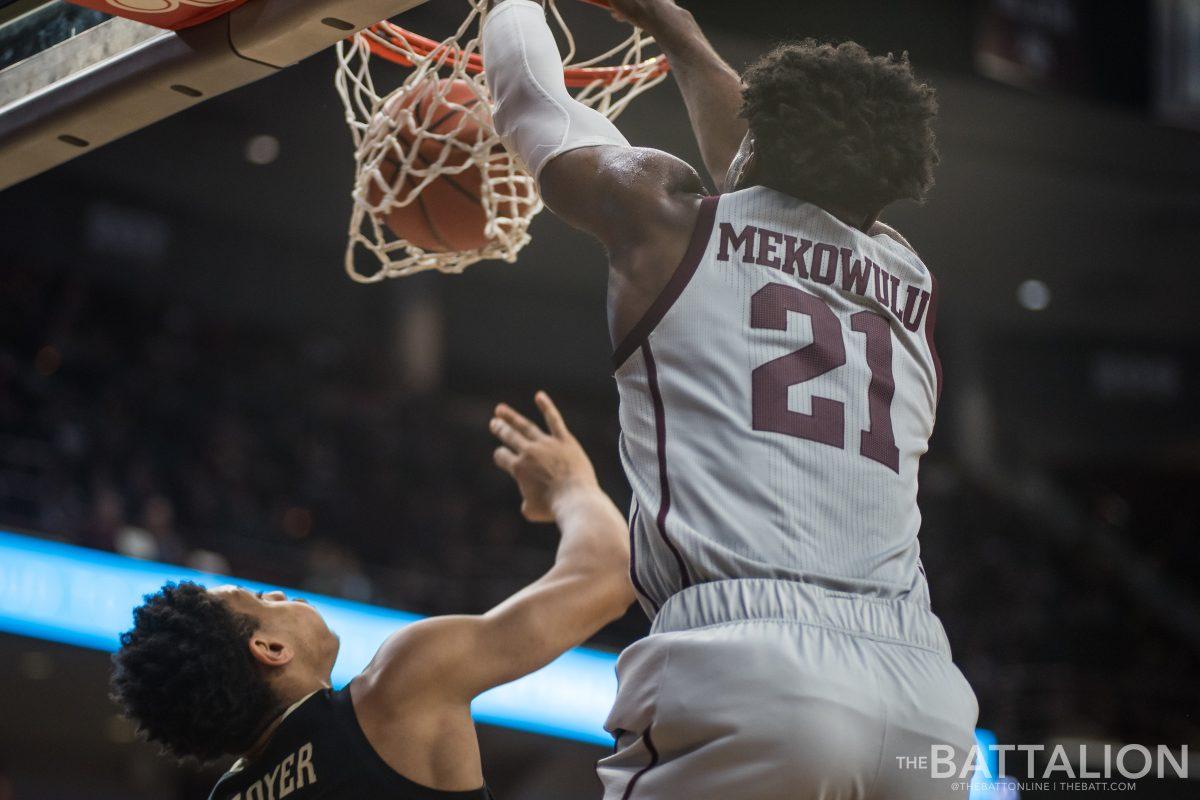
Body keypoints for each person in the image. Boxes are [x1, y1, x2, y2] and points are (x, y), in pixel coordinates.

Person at [481, 1, 978, 798]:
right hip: (927, 697)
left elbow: (528, 104)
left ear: (757, 138)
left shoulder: (663, 217)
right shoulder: (908, 275)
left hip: (747, 661)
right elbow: (751, 172)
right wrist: (677, 33)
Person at [111, 392, 632, 799]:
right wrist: (570, 486)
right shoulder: (397, 690)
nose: (276, 592)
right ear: (270, 650)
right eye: (260, 601)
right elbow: (608, 575)